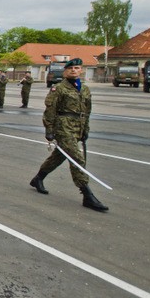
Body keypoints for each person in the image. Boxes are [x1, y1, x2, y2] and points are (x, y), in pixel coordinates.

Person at [29, 58, 108, 212]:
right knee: (77, 158)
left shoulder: (84, 89)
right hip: (63, 127)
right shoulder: (58, 88)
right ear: (65, 71)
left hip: (77, 127)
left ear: (81, 70)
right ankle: (87, 194)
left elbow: (87, 111)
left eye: (77, 68)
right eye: (70, 68)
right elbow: (50, 110)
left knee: (60, 156)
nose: (73, 70)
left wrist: (85, 130)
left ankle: (38, 178)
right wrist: (49, 130)